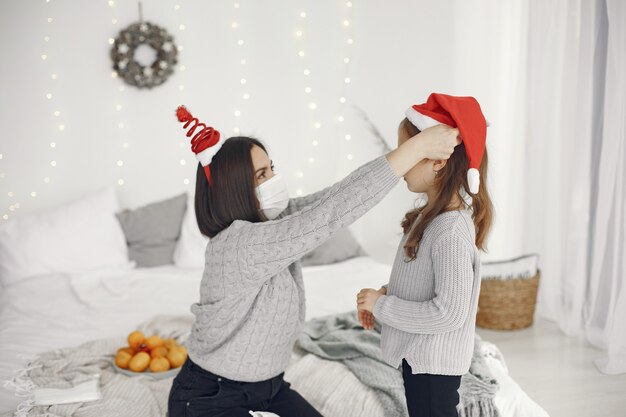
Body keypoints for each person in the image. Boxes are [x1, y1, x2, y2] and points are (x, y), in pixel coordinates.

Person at [167, 104, 460, 417]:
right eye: (262, 175)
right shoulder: (237, 245)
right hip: (210, 397)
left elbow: (337, 197)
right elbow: (329, 216)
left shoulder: (271, 222)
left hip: (269, 388)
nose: (274, 179)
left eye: (271, 168)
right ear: (236, 191)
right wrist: (416, 149)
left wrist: (409, 153)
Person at [357, 93, 494, 417]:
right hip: (420, 361)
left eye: (407, 153)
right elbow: (423, 284)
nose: (399, 162)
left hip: (433, 367)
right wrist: (382, 296)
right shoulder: (428, 218)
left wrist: (383, 306)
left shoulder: (450, 233)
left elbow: (448, 313)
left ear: (438, 161)